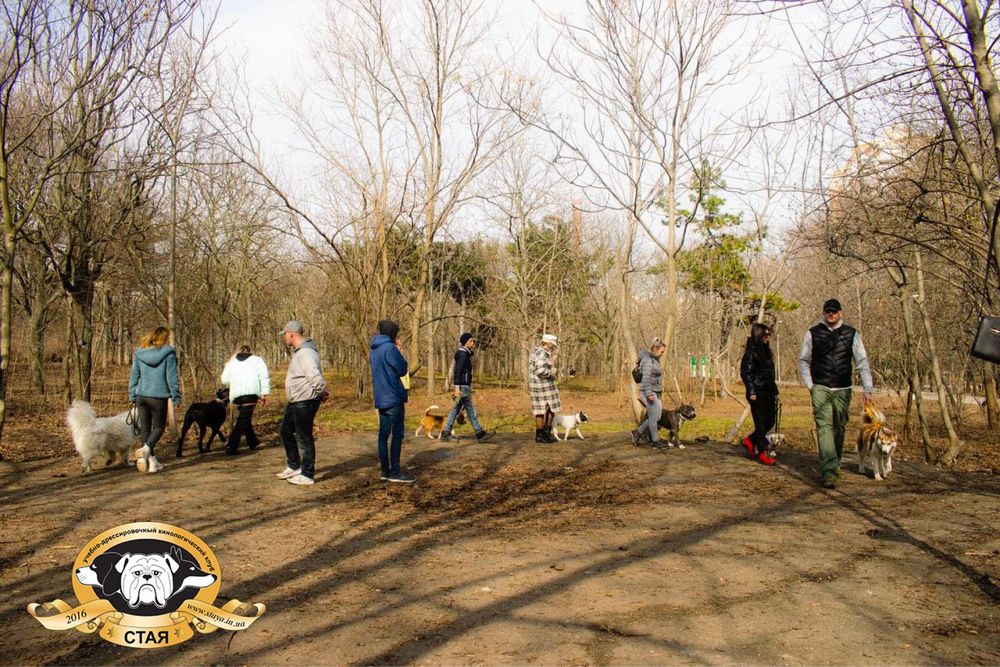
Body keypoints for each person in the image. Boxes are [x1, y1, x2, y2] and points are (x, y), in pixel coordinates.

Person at [799, 298, 874, 488]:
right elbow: (804, 360)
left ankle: (835, 461)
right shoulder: (812, 333)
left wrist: (868, 388)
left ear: (840, 312)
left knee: (839, 427)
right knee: (824, 427)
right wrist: (811, 386)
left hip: (843, 388)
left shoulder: (852, 334)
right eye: (827, 311)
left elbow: (862, 362)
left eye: (834, 311)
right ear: (823, 313)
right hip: (821, 387)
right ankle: (828, 471)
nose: (831, 314)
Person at [275, 321, 327, 486]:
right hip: (296, 400)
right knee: (285, 431)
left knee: (304, 437)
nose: (284, 338)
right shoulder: (300, 352)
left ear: (292, 334)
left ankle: (307, 474)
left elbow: (314, 375)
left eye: (285, 334)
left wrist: (321, 392)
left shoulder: (306, 353)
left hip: (305, 400)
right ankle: (294, 465)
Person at [128, 326, 181, 474]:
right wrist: (176, 396)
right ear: (163, 338)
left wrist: (132, 394)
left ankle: (153, 463)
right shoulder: (168, 354)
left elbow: (134, 375)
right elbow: (172, 377)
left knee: (145, 429)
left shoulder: (139, 353)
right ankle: (145, 450)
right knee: (158, 428)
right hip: (158, 397)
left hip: (141, 396)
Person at [370, 320, 414, 483]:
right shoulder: (389, 348)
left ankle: (384, 470)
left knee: (383, 435)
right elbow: (402, 368)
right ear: (392, 334)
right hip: (393, 398)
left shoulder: (374, 348)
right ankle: (395, 472)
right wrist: (398, 350)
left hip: (381, 398)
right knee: (397, 435)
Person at [440, 332, 493, 443]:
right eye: (471, 341)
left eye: (473, 340)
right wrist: (457, 388)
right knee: (469, 409)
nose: (473, 342)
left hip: (464, 386)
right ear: (465, 342)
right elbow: (458, 371)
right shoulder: (463, 354)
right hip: (462, 387)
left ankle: (446, 432)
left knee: (456, 409)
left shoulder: (465, 354)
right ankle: (479, 433)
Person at [221, 343, 270, 455]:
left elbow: (224, 380)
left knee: (244, 418)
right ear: (249, 351)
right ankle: (231, 446)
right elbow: (263, 376)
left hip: (237, 396)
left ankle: (252, 442)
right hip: (251, 394)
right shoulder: (257, 360)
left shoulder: (232, 363)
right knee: (242, 420)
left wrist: (228, 364)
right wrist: (265, 393)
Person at [740, 323, 778, 466]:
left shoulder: (766, 351)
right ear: (759, 335)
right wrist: (752, 391)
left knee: (770, 421)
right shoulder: (751, 352)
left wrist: (774, 391)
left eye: (769, 334)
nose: (768, 337)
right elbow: (746, 373)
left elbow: (769, 374)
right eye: (766, 334)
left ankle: (750, 440)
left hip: (768, 391)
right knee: (761, 423)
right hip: (757, 392)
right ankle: (762, 452)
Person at [631, 338, 667, 449]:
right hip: (648, 392)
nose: (662, 354)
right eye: (661, 351)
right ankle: (655, 440)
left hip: (655, 391)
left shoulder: (655, 359)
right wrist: (649, 394)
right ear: (655, 349)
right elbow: (645, 379)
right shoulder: (647, 360)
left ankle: (637, 432)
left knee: (657, 415)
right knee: (653, 416)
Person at [529, 333, 561, 443]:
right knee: (550, 408)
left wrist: (551, 363)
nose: (552, 346)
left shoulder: (538, 352)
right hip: (543, 386)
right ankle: (544, 433)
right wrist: (551, 372)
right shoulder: (541, 353)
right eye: (552, 344)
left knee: (542, 410)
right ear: (547, 343)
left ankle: (542, 434)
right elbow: (540, 371)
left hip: (539, 386)